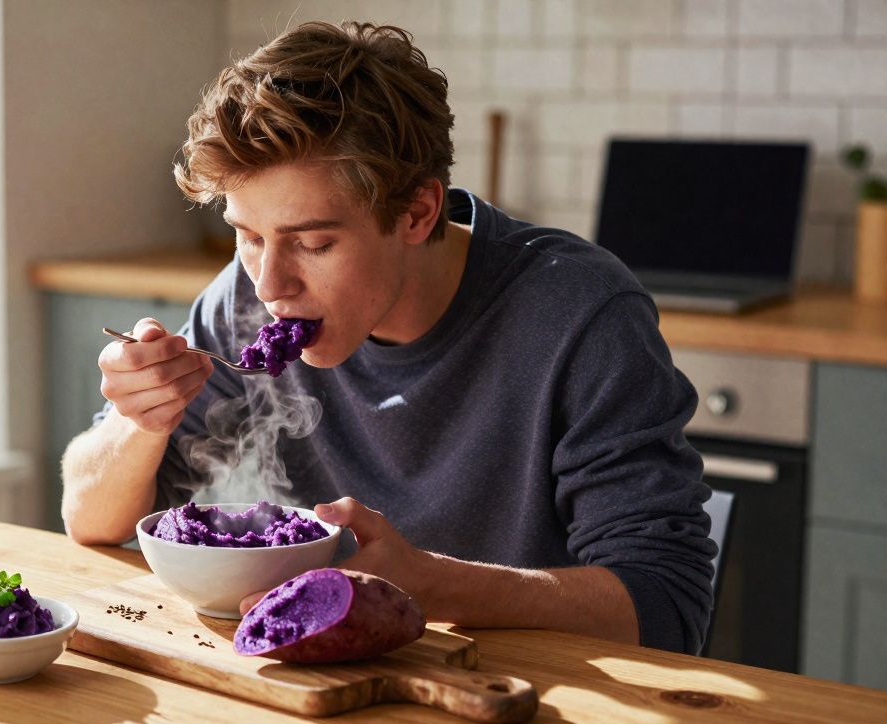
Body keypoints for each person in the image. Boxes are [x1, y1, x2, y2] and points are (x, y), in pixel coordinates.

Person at [61, 20, 716, 654]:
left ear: (417, 212)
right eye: (250, 235)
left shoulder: (578, 312)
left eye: (314, 242)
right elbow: (89, 519)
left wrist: (434, 584)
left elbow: (665, 606)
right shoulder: (245, 297)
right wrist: (139, 419)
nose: (270, 283)